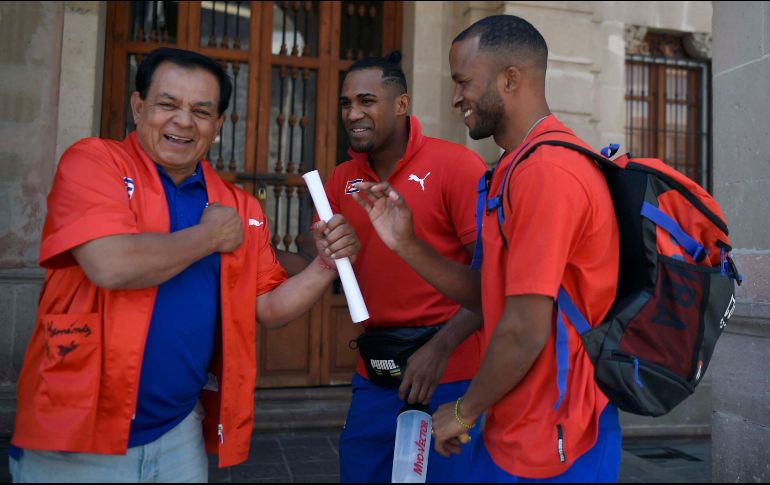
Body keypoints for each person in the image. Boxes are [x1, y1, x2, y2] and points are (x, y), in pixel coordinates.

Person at [8, 47, 359, 483]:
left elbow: (269, 305)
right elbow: (110, 264)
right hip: (77, 433)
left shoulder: (237, 205)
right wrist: (208, 237)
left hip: (178, 434)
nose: (183, 121)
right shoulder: (94, 162)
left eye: (201, 111)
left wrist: (327, 263)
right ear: (139, 107)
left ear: (217, 124)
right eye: (167, 104)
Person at [353, 15, 621, 482]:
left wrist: (461, 411)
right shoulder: (513, 168)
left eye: (463, 82)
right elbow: (490, 295)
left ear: (510, 78)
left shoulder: (547, 173)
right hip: (517, 424)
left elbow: (523, 329)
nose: (455, 97)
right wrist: (406, 244)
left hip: (557, 437)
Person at [278, 51, 486, 483]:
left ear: (401, 104)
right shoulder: (340, 179)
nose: (353, 114)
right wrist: (252, 247)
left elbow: (492, 282)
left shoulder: (456, 165)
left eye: (367, 101)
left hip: (450, 372)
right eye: (345, 103)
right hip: (377, 371)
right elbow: (316, 269)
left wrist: (440, 349)